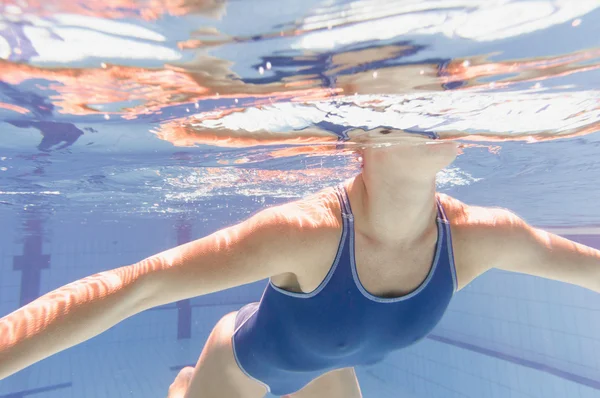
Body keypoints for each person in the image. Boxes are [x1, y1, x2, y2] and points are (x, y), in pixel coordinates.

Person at [1, 128, 598, 398]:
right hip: (240, 372)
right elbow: (132, 288)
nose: (432, 110)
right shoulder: (304, 233)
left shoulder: (481, 238)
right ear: (361, 139)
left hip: (327, 376)